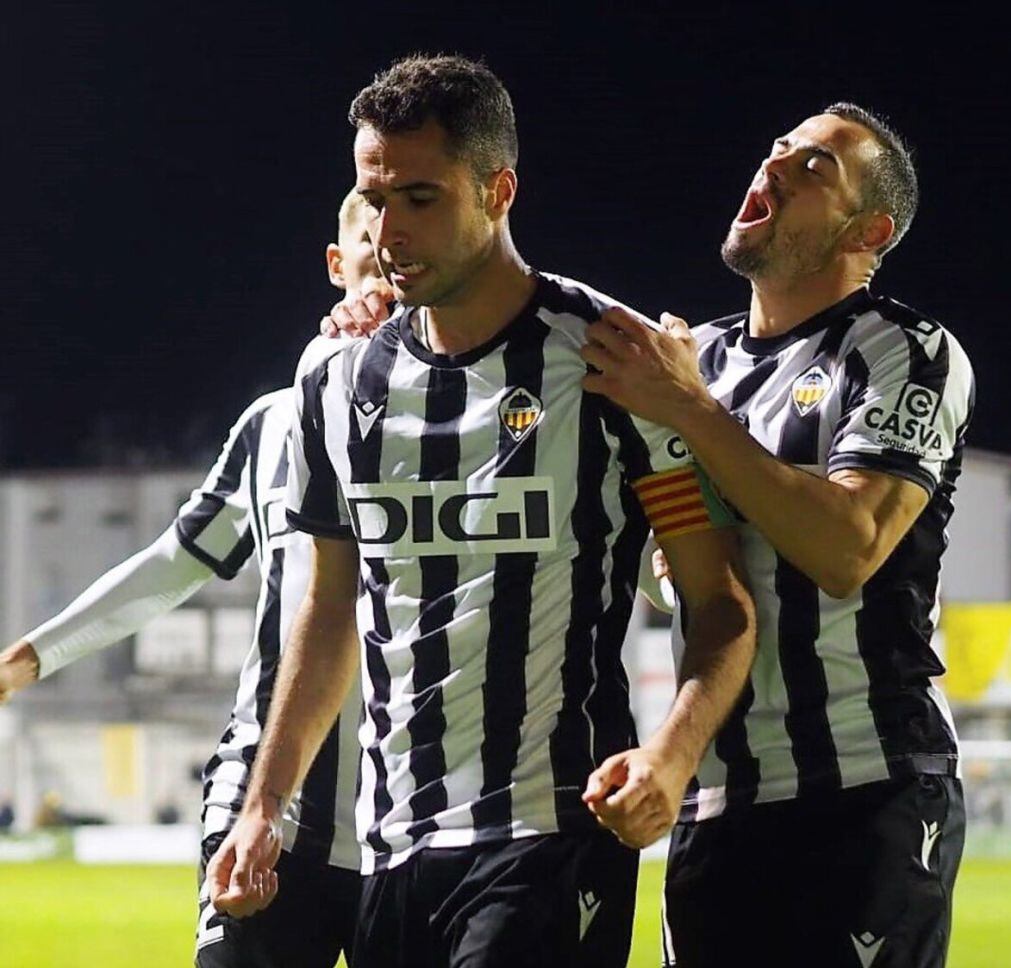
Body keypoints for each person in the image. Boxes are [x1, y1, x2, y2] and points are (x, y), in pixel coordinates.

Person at [208, 54, 756, 968]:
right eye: (373, 199)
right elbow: (328, 608)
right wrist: (267, 805)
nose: (388, 232)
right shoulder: (337, 383)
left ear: (499, 190)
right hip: (392, 848)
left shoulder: (614, 362)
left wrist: (671, 753)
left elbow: (720, 601)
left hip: (551, 828)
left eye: (420, 199)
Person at [581, 103, 974, 967]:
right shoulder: (698, 360)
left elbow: (848, 549)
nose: (776, 166)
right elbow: (661, 562)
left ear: (867, 230)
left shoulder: (905, 350)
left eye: (813, 170)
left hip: (866, 790)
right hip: (716, 797)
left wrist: (689, 411)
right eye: (779, 149)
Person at [0, 196, 391, 968]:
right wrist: (31, 656)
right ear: (335, 266)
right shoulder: (272, 425)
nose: (384, 289)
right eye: (371, 265)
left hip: (410, 815)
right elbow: (173, 563)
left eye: (400, 272)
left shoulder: (470, 424)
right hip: (263, 808)